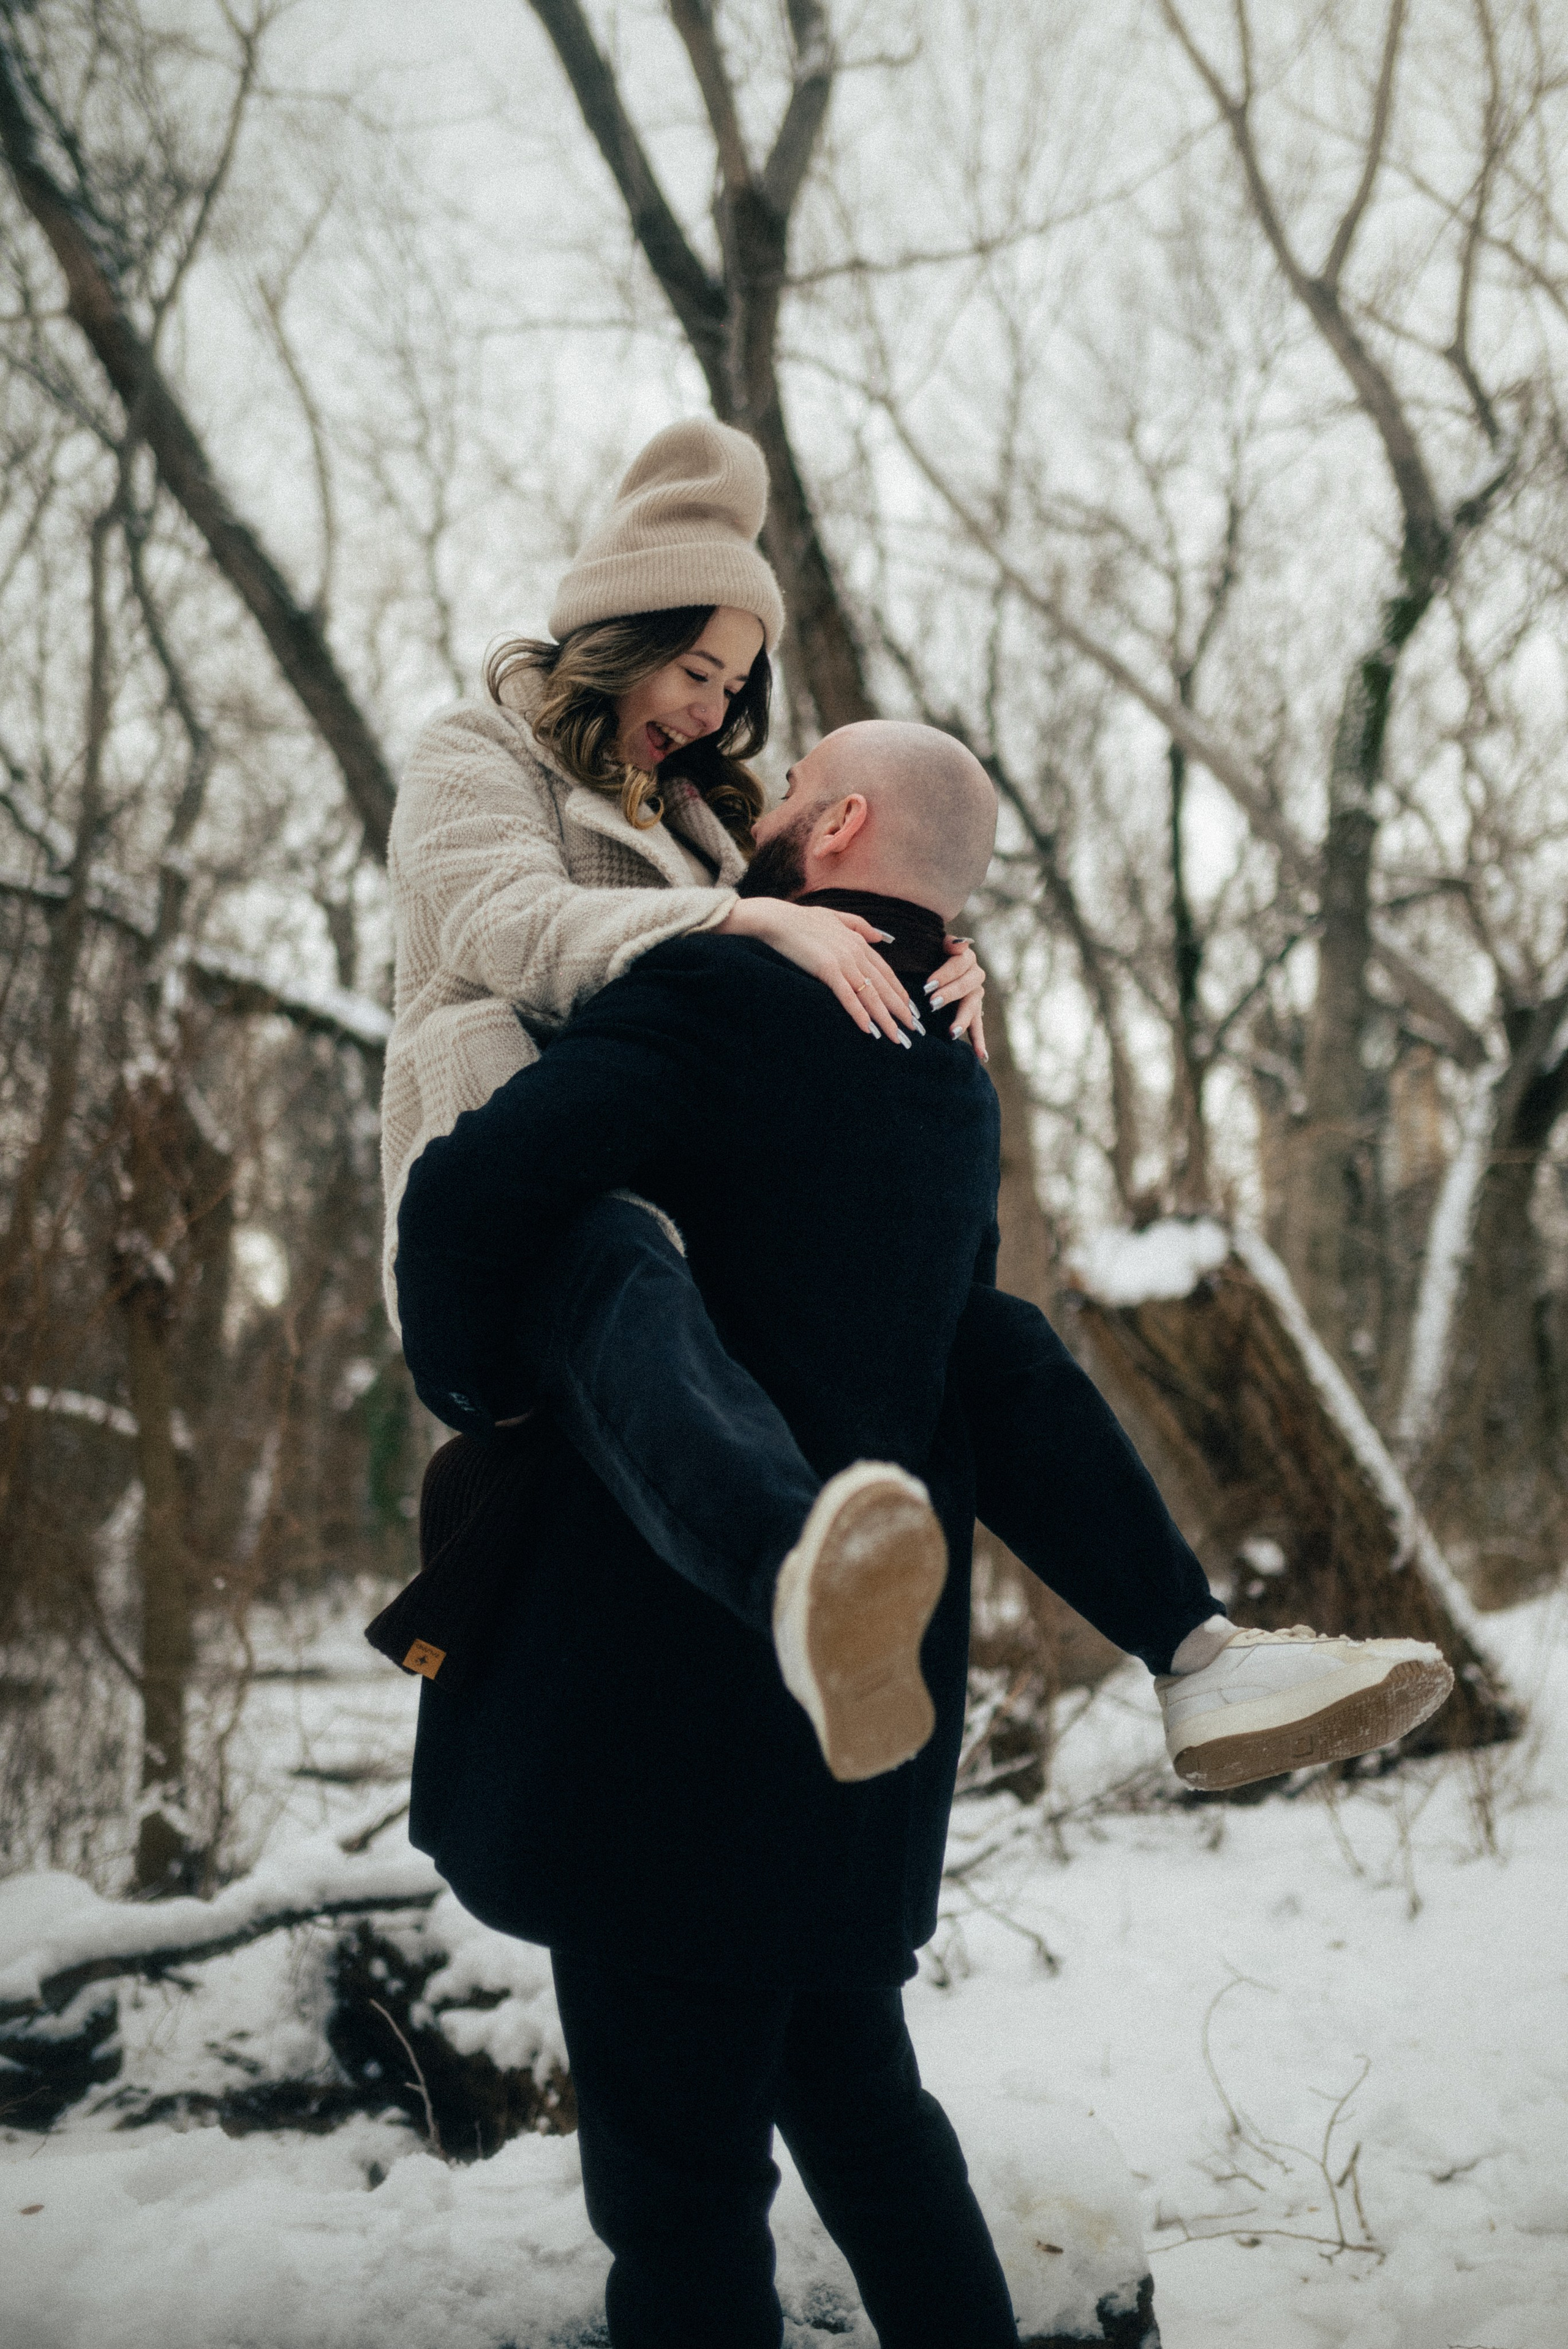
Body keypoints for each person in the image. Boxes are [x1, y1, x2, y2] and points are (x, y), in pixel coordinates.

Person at [390, 721, 1453, 2348]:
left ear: (843, 817)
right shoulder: (952, 1077)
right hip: (867, 1729)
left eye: (801, 765)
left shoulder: (719, 992)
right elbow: (975, 1365)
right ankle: (1200, 1644)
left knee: (679, 2206)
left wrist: (478, 1379)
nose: (772, 775)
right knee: (869, 2122)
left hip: (668, 1711)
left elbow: (477, 1195)